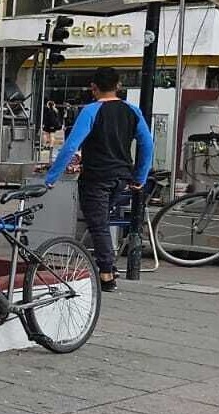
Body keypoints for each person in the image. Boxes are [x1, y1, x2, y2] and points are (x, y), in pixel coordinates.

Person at [45, 67, 153, 293]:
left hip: (96, 177)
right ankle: (106, 266)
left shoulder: (91, 111)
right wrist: (140, 176)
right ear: (119, 86)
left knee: (99, 225)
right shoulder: (133, 111)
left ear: (93, 88)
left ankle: (107, 273)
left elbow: (71, 145)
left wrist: (52, 176)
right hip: (121, 178)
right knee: (101, 221)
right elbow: (147, 144)